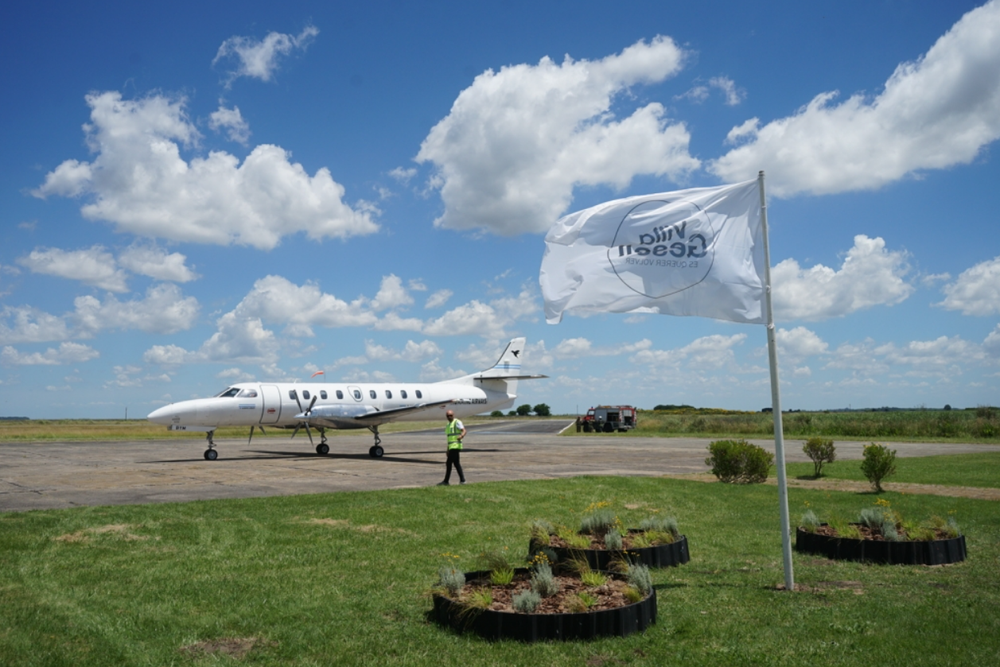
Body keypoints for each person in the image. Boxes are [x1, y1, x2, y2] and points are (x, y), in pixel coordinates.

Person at [438, 409, 466, 485]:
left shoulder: (457, 422)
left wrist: (462, 436)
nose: (449, 417)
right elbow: (449, 438)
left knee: (448, 463)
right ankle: (462, 480)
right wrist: (447, 449)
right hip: (451, 447)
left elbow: (464, 430)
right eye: (448, 416)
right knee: (456, 463)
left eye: (451, 415)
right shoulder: (448, 425)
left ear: (453, 415)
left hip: (456, 446)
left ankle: (446, 481)